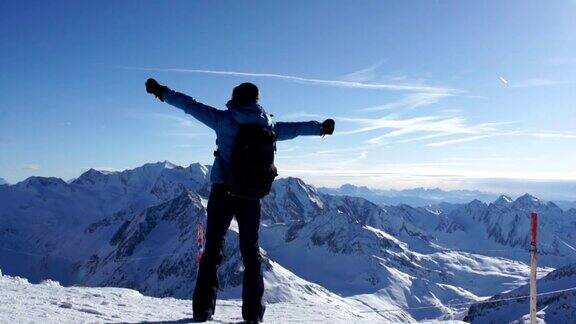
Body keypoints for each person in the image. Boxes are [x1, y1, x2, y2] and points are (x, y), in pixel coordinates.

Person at [145, 78, 335, 323]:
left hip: (222, 191)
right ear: (257, 101)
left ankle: (203, 311)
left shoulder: (223, 120)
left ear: (236, 99)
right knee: (251, 253)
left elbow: (189, 105)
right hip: (252, 196)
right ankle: (253, 315)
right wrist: (320, 127)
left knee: (213, 249)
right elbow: (297, 129)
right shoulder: (271, 125)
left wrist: (161, 91)